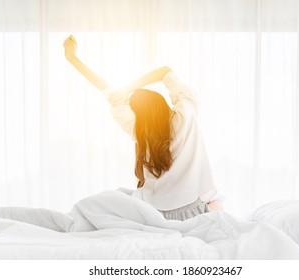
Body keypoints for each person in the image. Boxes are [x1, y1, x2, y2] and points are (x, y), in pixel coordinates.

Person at [63, 35, 222, 221]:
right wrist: (129, 87)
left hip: (151, 214)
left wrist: (73, 59)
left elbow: (107, 91)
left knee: (97, 205)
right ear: (161, 103)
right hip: (192, 212)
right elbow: (165, 72)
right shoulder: (186, 115)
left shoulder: (139, 129)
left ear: (138, 114)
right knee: (216, 205)